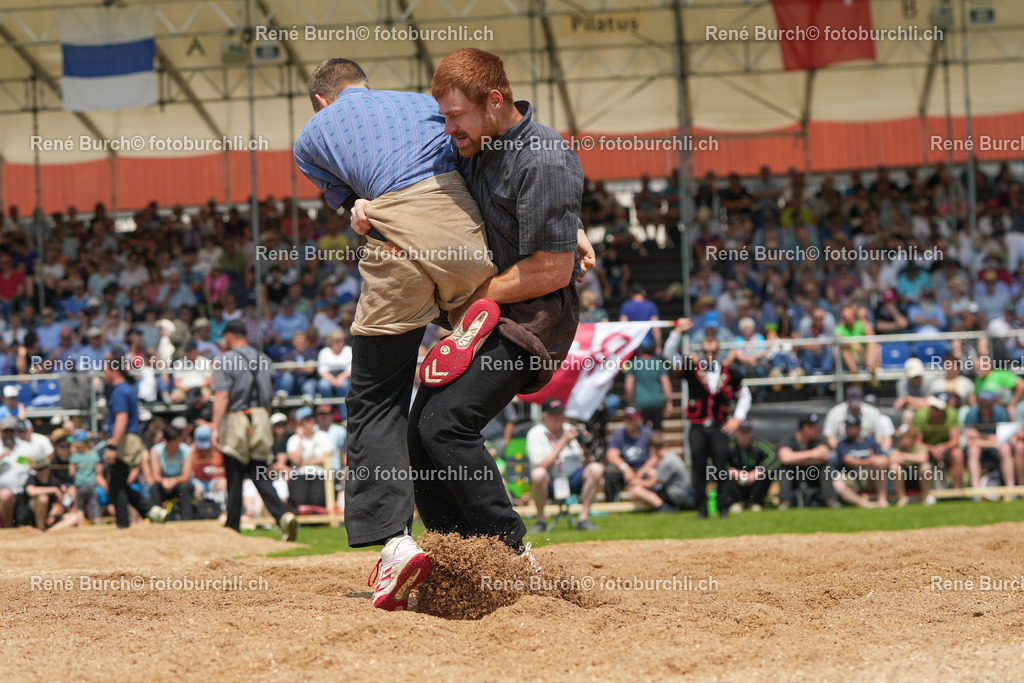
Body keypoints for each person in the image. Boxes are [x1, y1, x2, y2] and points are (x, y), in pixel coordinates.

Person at [210, 319, 297, 541]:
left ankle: (232, 527)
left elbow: (221, 395)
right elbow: (269, 396)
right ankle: (282, 516)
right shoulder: (265, 360)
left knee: (235, 474)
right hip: (261, 417)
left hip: (236, 418)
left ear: (229, 336)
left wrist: (214, 427)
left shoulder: (225, 360)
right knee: (259, 473)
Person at [667, 320, 751, 518]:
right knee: (698, 467)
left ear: (719, 352)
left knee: (722, 466)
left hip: (720, 426)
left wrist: (738, 419)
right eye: (706, 352)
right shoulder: (692, 369)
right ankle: (701, 508)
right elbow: (669, 354)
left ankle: (724, 507)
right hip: (697, 426)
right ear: (702, 352)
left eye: (713, 352)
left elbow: (745, 395)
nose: (709, 356)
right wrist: (677, 333)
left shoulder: (731, 373)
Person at [102, 356, 167, 528]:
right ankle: (151, 511)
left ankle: (123, 524)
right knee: (121, 482)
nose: (103, 375)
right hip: (130, 438)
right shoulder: (126, 389)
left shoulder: (119, 391)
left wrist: (113, 445)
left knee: (117, 483)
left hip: (124, 439)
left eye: (105, 371)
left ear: (114, 371)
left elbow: (121, 419)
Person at [526, 398, 603, 533]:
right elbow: (542, 465)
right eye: (554, 414)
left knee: (596, 468)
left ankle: (583, 518)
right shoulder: (535, 433)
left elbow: (588, 462)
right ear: (544, 416)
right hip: (550, 481)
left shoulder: (572, 430)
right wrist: (562, 442)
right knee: (538, 474)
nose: (559, 417)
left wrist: (585, 447)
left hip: (573, 478)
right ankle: (541, 520)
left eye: (560, 413)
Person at [776, 414, 839, 509]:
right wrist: (813, 454)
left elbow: (824, 455)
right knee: (784, 468)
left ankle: (830, 500)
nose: (818, 429)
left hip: (813, 475)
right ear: (805, 428)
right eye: (814, 427)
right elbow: (786, 458)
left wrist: (797, 459)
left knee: (826, 465)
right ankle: (785, 502)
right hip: (794, 476)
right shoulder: (789, 439)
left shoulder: (819, 440)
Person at [963, 390, 1016, 494]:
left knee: (1005, 449)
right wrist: (993, 439)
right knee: (973, 450)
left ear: (993, 403)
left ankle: (1011, 490)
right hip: (981, 448)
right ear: (979, 403)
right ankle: (976, 492)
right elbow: (969, 441)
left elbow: (1004, 438)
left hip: (993, 448)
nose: (985, 407)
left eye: (988, 404)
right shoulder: (971, 414)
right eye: (982, 404)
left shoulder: (1000, 412)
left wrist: (979, 436)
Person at [832, 414, 889, 508]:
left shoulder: (870, 442)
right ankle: (865, 504)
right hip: (852, 477)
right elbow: (848, 461)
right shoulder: (842, 444)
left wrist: (873, 461)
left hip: (870, 476)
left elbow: (884, 460)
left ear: (859, 428)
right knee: (836, 483)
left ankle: (882, 500)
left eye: (851, 427)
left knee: (879, 464)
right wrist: (870, 460)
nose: (848, 429)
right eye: (847, 427)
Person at [724, 421, 779, 512]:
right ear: (736, 432)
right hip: (736, 481)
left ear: (751, 432)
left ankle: (755, 502)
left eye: (747, 432)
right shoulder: (729, 445)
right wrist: (732, 471)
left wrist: (758, 471)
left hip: (755, 481)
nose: (744, 435)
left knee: (768, 473)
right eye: (741, 432)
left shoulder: (759, 444)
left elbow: (775, 457)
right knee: (722, 473)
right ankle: (735, 502)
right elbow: (715, 460)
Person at [912, 395, 964, 491]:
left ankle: (957, 491)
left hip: (945, 450)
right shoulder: (920, 415)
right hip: (926, 450)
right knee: (921, 455)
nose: (936, 410)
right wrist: (932, 449)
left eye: (939, 408)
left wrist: (944, 447)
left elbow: (956, 440)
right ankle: (924, 493)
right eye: (934, 407)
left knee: (958, 454)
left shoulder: (952, 414)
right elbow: (917, 442)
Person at [627, 435, 692, 511]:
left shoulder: (667, 461)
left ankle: (662, 507)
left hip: (676, 495)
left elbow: (651, 484)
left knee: (636, 490)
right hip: (679, 492)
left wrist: (635, 482)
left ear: (652, 449)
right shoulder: (670, 456)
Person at [286, 406, 333, 510]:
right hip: (300, 474)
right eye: (307, 419)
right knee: (300, 500)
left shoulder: (322, 436)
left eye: (313, 417)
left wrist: (304, 463)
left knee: (317, 501)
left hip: (320, 474)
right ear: (300, 423)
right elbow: (296, 460)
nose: (312, 421)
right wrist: (301, 439)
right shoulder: (294, 439)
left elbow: (326, 458)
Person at [605, 407, 655, 499]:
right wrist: (625, 468)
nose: (628, 421)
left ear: (639, 420)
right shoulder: (618, 434)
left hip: (643, 469)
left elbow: (655, 456)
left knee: (654, 473)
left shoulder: (648, 433)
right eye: (626, 418)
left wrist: (642, 470)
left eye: (631, 419)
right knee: (610, 472)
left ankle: (658, 501)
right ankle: (611, 505)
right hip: (625, 470)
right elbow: (611, 455)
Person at [147, 425, 194, 520]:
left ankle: (187, 519)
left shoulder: (186, 450)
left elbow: (186, 476)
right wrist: (164, 481)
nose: (178, 444)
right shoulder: (156, 451)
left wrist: (173, 481)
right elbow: (155, 476)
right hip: (163, 485)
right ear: (167, 441)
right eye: (175, 441)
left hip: (179, 485)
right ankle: (156, 518)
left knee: (185, 487)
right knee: (154, 488)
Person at [624, 340, 673, 431]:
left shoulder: (633, 364)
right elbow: (666, 385)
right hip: (657, 402)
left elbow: (628, 386)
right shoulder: (659, 363)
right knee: (657, 431)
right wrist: (669, 402)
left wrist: (630, 403)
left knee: (642, 432)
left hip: (640, 403)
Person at [0, 415, 34, 526]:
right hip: (4, 491)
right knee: (6, 495)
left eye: (11, 431)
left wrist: (32, 462)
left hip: (24, 490)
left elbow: (33, 466)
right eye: (6, 431)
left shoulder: (25, 447)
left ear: (15, 431)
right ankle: (7, 528)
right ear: (1, 432)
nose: (8, 433)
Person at [889, 424, 934, 506]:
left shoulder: (920, 448)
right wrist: (913, 457)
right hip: (904, 481)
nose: (899, 440)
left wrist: (904, 456)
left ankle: (925, 498)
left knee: (926, 467)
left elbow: (923, 458)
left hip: (918, 480)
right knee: (894, 467)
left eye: (902, 437)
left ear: (912, 438)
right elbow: (892, 459)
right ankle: (902, 498)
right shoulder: (897, 449)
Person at [68, 430, 103, 525]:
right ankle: (97, 524)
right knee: (94, 506)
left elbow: (71, 473)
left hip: (80, 485)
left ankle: (81, 526)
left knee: (79, 507)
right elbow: (98, 471)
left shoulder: (74, 456)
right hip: (91, 485)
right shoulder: (94, 454)